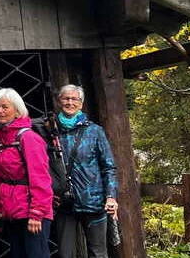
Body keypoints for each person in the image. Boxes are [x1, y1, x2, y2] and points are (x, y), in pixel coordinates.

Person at [52, 84, 118, 258]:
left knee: (98, 253)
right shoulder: (50, 132)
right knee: (65, 254)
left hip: (93, 202)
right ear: (59, 101)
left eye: (75, 99)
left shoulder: (94, 131)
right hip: (64, 203)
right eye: (66, 98)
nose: (70, 102)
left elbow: (109, 166)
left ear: (81, 104)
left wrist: (111, 196)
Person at [0, 87, 54, 258]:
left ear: (17, 111)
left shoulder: (28, 138)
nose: (0, 111)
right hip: (11, 211)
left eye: (5, 107)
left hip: (32, 212)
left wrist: (37, 213)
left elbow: (40, 178)